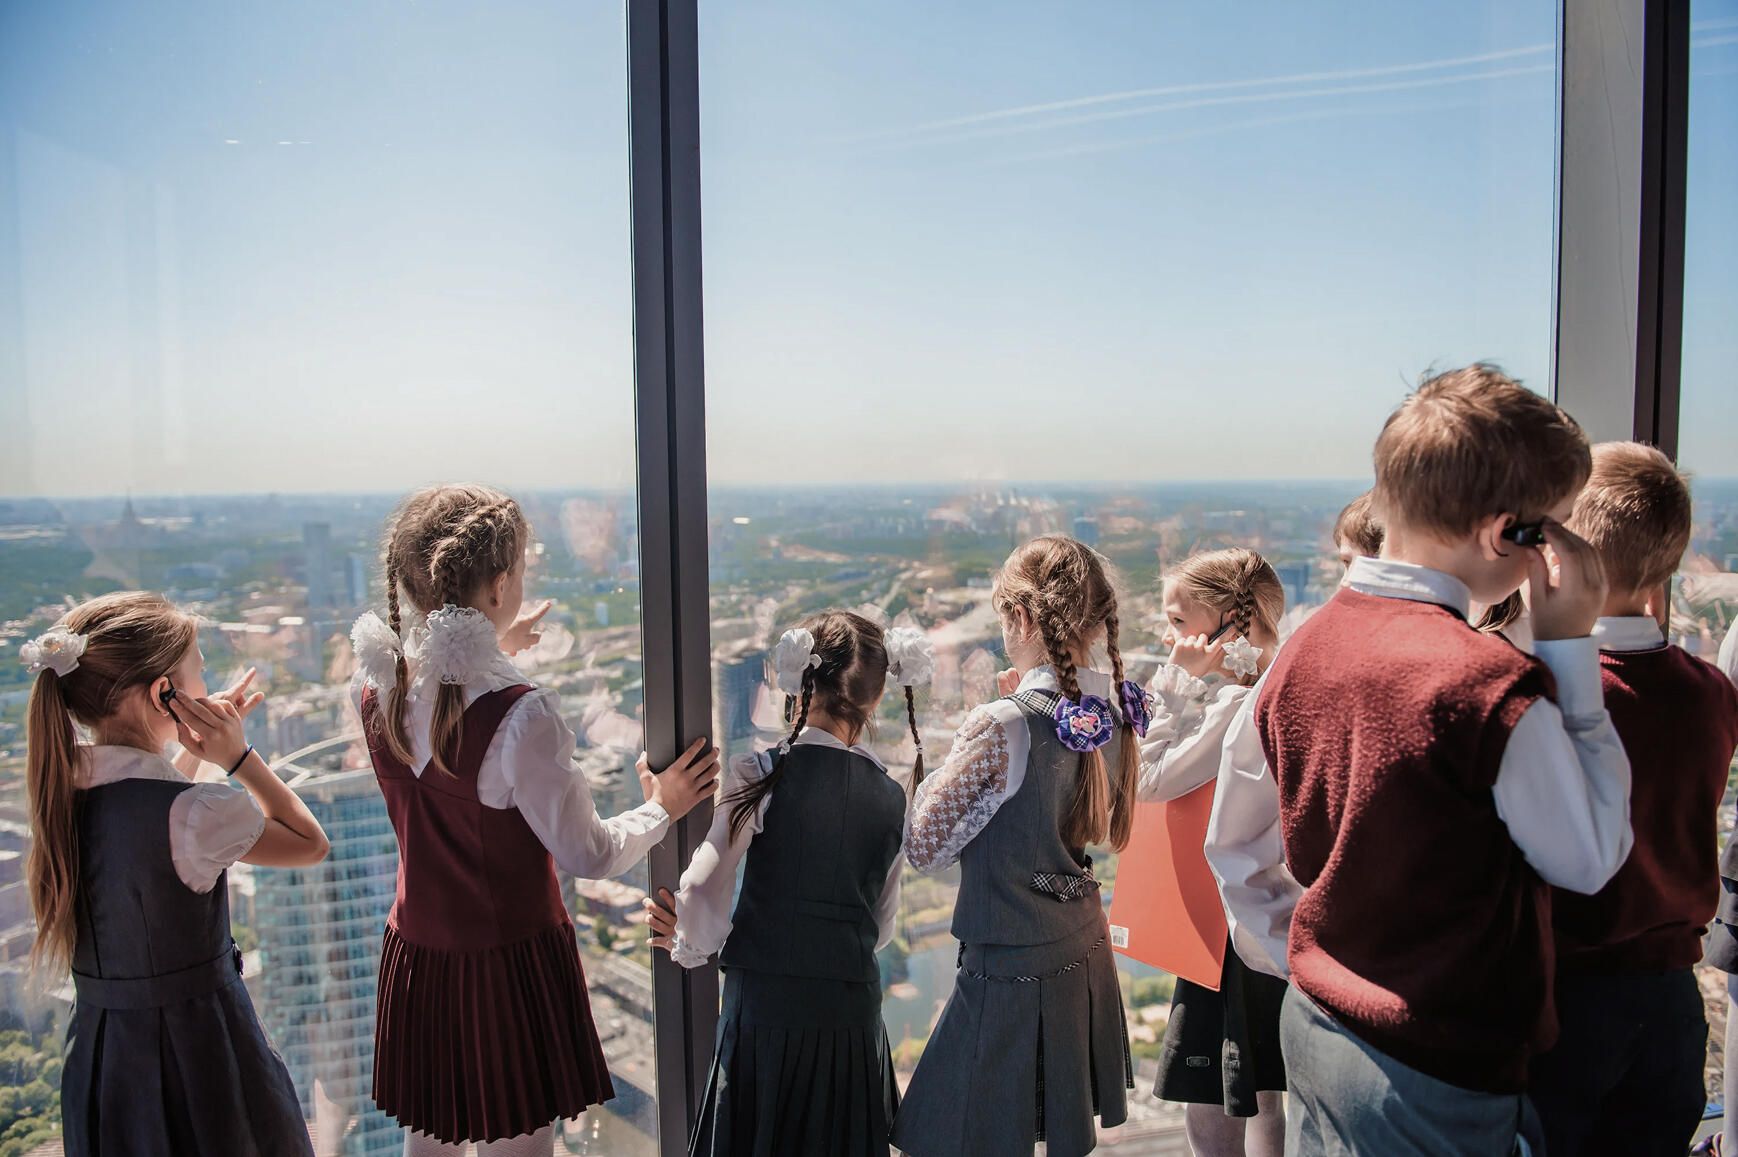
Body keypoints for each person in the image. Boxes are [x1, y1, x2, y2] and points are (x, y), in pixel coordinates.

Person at [1224, 365, 1633, 1154]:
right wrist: (1573, 651)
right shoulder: (1485, 687)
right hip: (1433, 1060)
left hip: (1316, 1020)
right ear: (1503, 534)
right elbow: (1591, 857)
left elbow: (1254, 841)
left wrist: (1308, 960)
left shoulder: (1308, 641)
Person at [353, 484, 719, 1157]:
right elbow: (590, 853)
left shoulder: (378, 685)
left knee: (427, 1137)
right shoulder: (522, 717)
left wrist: (494, 645)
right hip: (505, 967)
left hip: (420, 953)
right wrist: (663, 805)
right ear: (497, 590)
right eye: (520, 570)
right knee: (516, 1145)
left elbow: (445, 730)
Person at [24, 592, 330, 1156]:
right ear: (162, 694)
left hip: (103, 1061)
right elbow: (310, 843)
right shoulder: (198, 813)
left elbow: (159, 808)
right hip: (200, 1058)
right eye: (197, 674)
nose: (204, 685)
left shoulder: (61, 792)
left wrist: (193, 749)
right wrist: (237, 757)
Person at [647, 613, 932, 1156]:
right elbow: (881, 926)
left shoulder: (760, 774)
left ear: (799, 682)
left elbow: (706, 888)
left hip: (767, 1012)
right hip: (851, 1022)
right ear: (875, 701)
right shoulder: (893, 796)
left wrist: (688, 942)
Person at [893, 535, 1139, 1157]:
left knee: (949, 1135)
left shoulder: (1006, 723)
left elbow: (925, 845)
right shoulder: (1109, 711)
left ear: (1022, 618)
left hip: (1008, 966)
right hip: (1080, 950)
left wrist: (982, 723)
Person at [1526, 443, 1738, 1156]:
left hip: (1566, 1002)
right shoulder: (1712, 693)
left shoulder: (1541, 692)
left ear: (1562, 556)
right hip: (1671, 1004)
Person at [1139, 549, 1288, 1157]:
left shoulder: (1233, 705)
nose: (1168, 635)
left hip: (1225, 926)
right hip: (1276, 913)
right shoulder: (1283, 678)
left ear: (1230, 621)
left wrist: (1173, 685)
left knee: (1214, 1096)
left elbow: (1148, 782)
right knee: (1267, 1092)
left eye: (1178, 621)